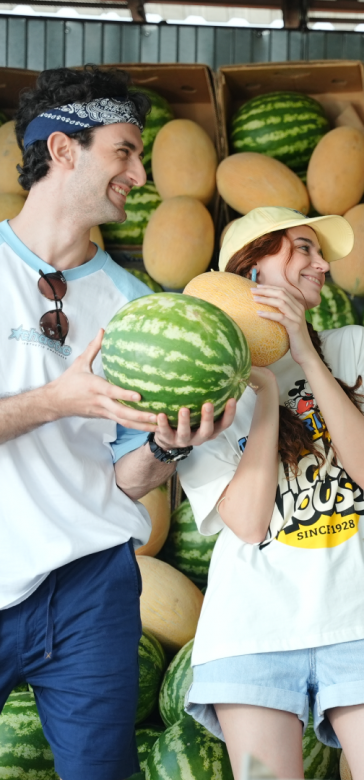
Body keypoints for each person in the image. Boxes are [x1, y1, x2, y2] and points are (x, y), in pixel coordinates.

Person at [0, 65, 235, 780]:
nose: (139, 174)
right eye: (124, 151)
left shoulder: (137, 307)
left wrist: (166, 446)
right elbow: (62, 405)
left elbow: (126, 481)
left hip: (91, 589)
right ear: (63, 150)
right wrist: (55, 400)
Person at [176, 206, 364, 780]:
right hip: (251, 632)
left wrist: (306, 357)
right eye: (304, 248)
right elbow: (247, 523)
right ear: (252, 269)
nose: (323, 265)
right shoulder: (205, 389)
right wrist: (264, 393)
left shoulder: (351, 346)